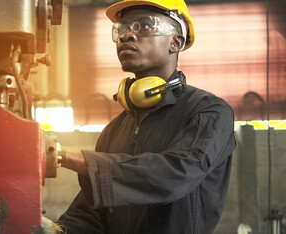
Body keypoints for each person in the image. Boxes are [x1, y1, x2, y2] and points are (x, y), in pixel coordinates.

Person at [56, 0, 236, 233]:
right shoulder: (116, 128)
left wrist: (63, 156)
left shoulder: (208, 112)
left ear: (175, 42)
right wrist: (53, 229)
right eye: (122, 28)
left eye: (145, 25)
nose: (127, 35)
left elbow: (173, 174)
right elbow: (92, 213)